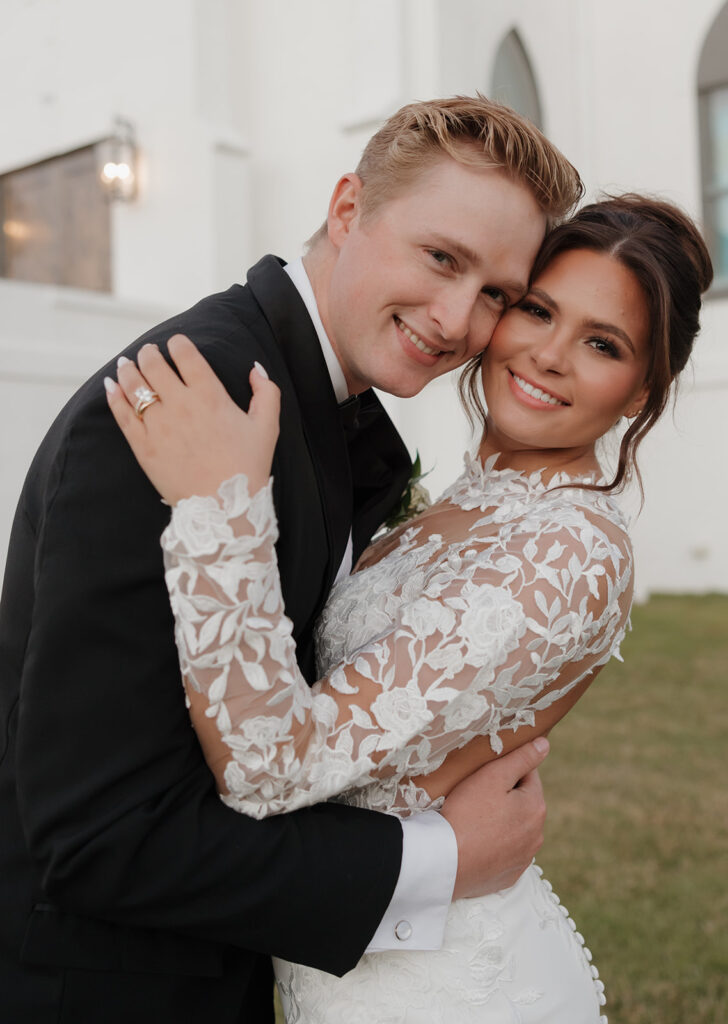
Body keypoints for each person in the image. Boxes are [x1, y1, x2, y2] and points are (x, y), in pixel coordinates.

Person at [0, 97, 582, 1022]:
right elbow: (100, 836)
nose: (458, 319)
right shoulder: (196, 401)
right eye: (441, 258)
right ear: (348, 209)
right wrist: (438, 861)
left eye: (498, 295)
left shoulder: (328, 410)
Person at [106, 195, 714, 1022]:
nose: (549, 355)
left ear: (642, 391)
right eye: (537, 310)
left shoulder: (568, 550)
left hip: (441, 989)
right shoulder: (469, 501)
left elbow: (274, 767)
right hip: (352, 950)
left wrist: (218, 506)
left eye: (602, 344)